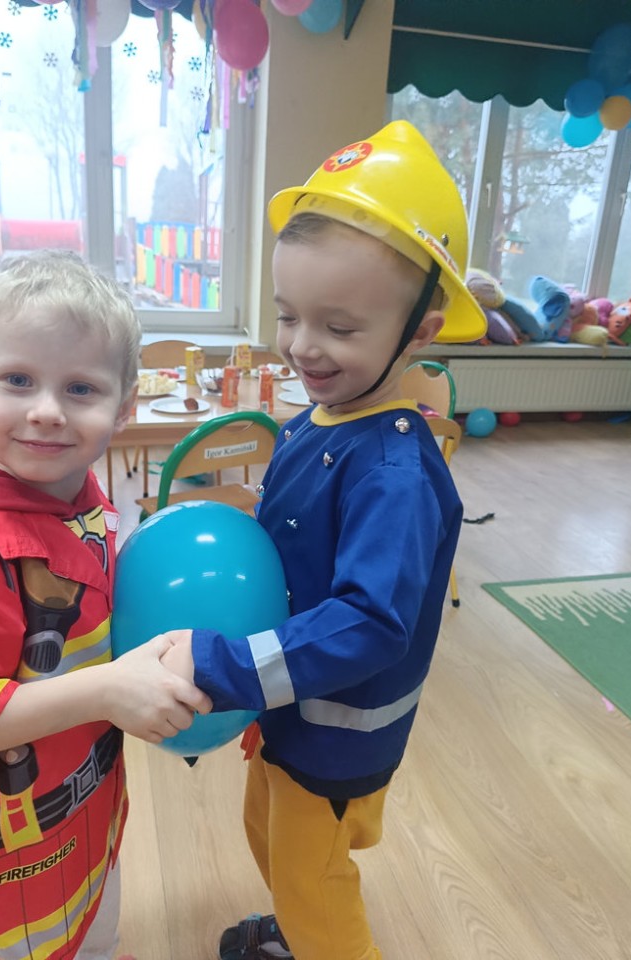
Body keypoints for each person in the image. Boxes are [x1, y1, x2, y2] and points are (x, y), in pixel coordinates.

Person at [158, 121, 487, 960]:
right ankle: (299, 933)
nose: (303, 346)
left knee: (313, 876)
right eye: (288, 315)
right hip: (286, 705)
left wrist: (230, 666)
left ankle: (324, 943)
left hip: (338, 731)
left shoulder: (396, 474)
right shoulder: (318, 419)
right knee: (266, 831)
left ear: (420, 331)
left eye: (339, 327)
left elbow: (371, 623)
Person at [0, 250, 211, 960]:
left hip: (74, 805)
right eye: (18, 380)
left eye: (80, 388)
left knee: (91, 925)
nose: (47, 411)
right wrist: (109, 689)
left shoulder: (79, 495)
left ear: (124, 406)